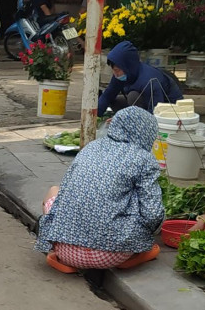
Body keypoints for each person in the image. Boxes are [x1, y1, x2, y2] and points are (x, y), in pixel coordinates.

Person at [35, 106, 164, 270]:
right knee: (143, 214)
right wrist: (148, 235)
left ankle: (60, 260)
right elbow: (153, 214)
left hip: (65, 250)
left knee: (54, 190)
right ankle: (129, 259)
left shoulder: (91, 147)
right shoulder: (144, 159)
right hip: (110, 256)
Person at [98, 41, 183, 115]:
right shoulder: (121, 74)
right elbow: (107, 95)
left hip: (168, 109)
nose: (115, 74)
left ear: (128, 66)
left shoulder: (150, 80)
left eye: (117, 70)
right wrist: (94, 114)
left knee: (133, 96)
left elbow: (155, 110)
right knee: (113, 100)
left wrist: (128, 121)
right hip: (142, 104)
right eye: (113, 70)